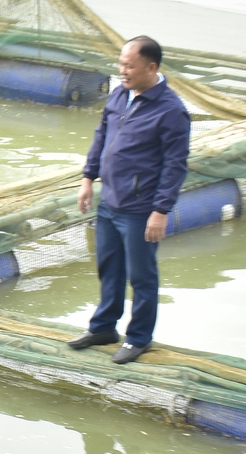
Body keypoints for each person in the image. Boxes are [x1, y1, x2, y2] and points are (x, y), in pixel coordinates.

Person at [69, 35, 192, 364]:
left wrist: (160, 211)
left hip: (140, 209)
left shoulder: (171, 111)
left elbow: (175, 165)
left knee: (141, 275)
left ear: (152, 67)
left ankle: (138, 338)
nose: (122, 71)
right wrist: (87, 179)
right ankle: (103, 327)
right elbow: (101, 137)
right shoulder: (119, 94)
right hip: (109, 201)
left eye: (129, 66)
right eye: (120, 64)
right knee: (108, 267)